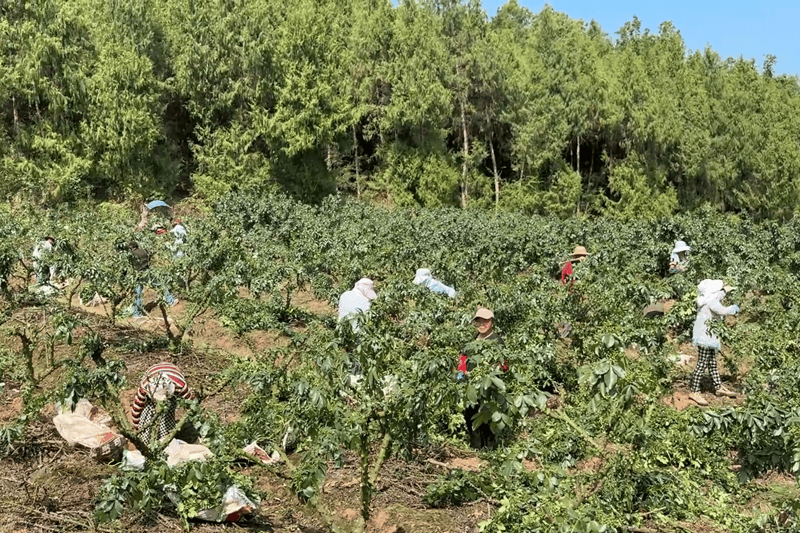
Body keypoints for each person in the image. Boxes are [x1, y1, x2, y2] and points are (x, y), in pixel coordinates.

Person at [458, 307, 506, 448]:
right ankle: (475, 448)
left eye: (485, 321)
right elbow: (462, 359)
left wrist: (491, 373)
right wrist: (461, 377)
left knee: (487, 417)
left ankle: (489, 450)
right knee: (470, 416)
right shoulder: (472, 340)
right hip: (470, 385)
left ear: (491, 322)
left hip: (487, 386)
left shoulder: (497, 341)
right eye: (479, 322)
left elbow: (503, 364)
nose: (482, 325)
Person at [688, 279, 739, 406]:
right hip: (706, 337)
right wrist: (734, 308)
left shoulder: (706, 298)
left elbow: (720, 295)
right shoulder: (712, 301)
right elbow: (723, 311)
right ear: (714, 292)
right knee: (702, 363)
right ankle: (694, 391)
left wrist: (726, 290)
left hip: (706, 336)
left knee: (712, 363)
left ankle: (718, 387)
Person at [131, 362, 195, 444]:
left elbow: (191, 403)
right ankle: (146, 440)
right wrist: (137, 427)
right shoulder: (145, 388)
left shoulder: (180, 386)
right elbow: (137, 408)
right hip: (153, 371)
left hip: (173, 372)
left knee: (167, 413)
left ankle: (165, 437)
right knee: (148, 413)